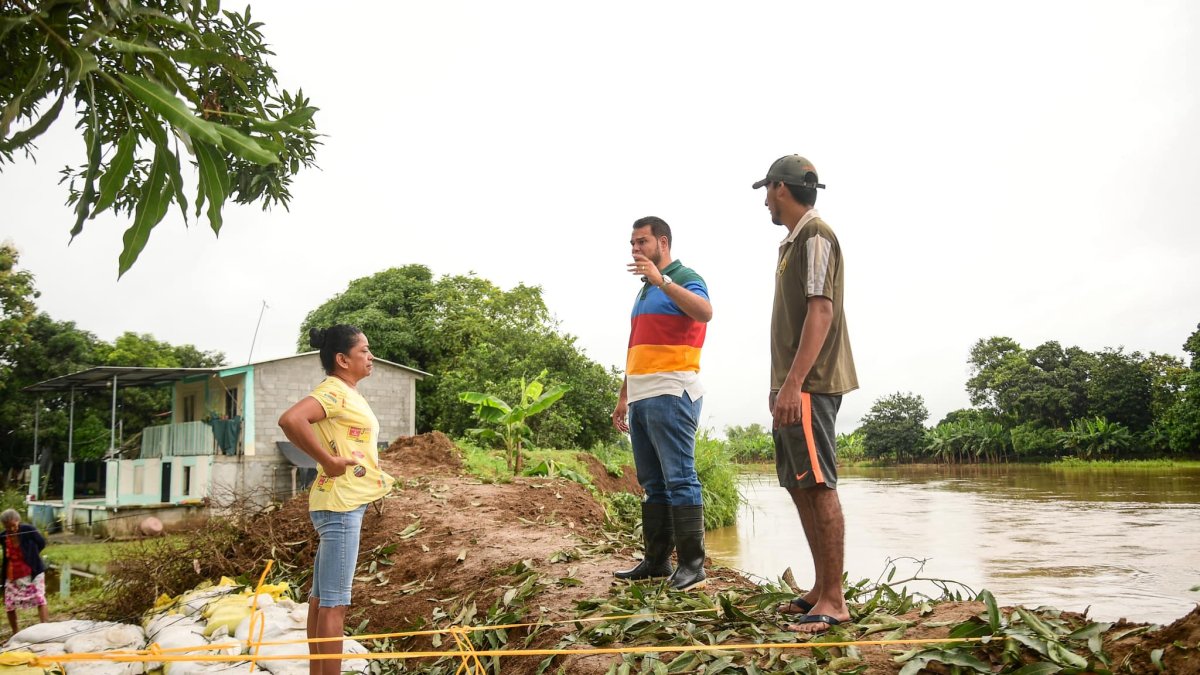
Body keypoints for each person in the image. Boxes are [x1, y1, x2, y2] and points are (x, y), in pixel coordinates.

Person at [752, 155, 858, 634]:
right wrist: (780, 386)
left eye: (767, 191)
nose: (766, 202)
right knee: (799, 485)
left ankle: (834, 600)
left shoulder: (816, 235)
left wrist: (794, 384)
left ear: (779, 188)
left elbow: (821, 312)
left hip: (810, 385)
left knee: (818, 484)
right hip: (793, 386)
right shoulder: (794, 242)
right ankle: (819, 588)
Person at [278, 325, 395, 675]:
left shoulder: (348, 391)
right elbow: (291, 419)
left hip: (339, 502)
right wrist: (328, 461)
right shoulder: (334, 392)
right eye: (364, 350)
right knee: (335, 604)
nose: (370, 356)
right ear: (342, 359)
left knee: (320, 598)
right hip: (341, 505)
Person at [611, 216, 713, 591]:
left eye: (642, 242)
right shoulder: (644, 291)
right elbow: (637, 343)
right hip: (641, 395)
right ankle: (656, 562)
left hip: (672, 391)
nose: (635, 249)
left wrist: (662, 280)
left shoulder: (683, 277)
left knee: (680, 479)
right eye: (632, 244)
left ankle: (693, 568)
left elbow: (704, 311)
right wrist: (624, 396)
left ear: (663, 243)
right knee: (653, 484)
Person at [1, 509, 49, 635]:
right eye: (7, 527)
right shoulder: (3, 536)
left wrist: (32, 554)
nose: (11, 529)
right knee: (9, 604)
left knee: (40, 598)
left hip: (33, 571)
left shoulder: (28, 530)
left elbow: (42, 543)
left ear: (18, 521)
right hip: (13, 574)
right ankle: (15, 632)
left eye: (13, 525)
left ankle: (45, 629)